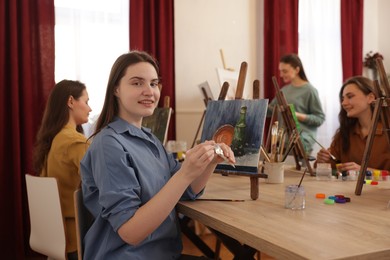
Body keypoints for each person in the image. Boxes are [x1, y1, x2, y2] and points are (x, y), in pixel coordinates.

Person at [80, 51, 235, 260]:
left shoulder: (150, 139)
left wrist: (211, 162)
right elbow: (130, 232)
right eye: (137, 83)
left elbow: (185, 191)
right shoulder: (108, 145)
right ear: (116, 89)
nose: (149, 91)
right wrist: (185, 173)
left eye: (153, 84)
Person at [33, 80, 92, 260]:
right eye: (87, 101)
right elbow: (102, 186)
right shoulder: (76, 142)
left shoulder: (53, 139)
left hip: (57, 235)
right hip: (78, 237)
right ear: (71, 102)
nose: (90, 109)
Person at [316, 76, 390, 171]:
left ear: (371, 97)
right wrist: (323, 160)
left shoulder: (387, 131)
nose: (343, 103)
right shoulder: (345, 133)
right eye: (343, 99)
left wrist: (364, 171)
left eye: (350, 97)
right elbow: (334, 167)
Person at [268, 53, 325, 155]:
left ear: (297, 70)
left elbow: (319, 119)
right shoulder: (283, 90)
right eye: (280, 71)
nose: (281, 75)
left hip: (301, 145)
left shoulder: (310, 91)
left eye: (284, 71)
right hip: (282, 144)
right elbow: (270, 110)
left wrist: (294, 114)